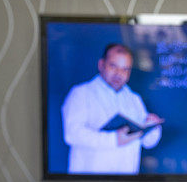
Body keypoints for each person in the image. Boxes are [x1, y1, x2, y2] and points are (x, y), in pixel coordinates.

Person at [61, 43, 163, 174]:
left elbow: (147, 143)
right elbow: (72, 135)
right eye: (113, 66)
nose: (118, 73)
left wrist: (152, 127)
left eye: (125, 69)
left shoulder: (134, 99)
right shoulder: (81, 93)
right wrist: (114, 139)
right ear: (101, 64)